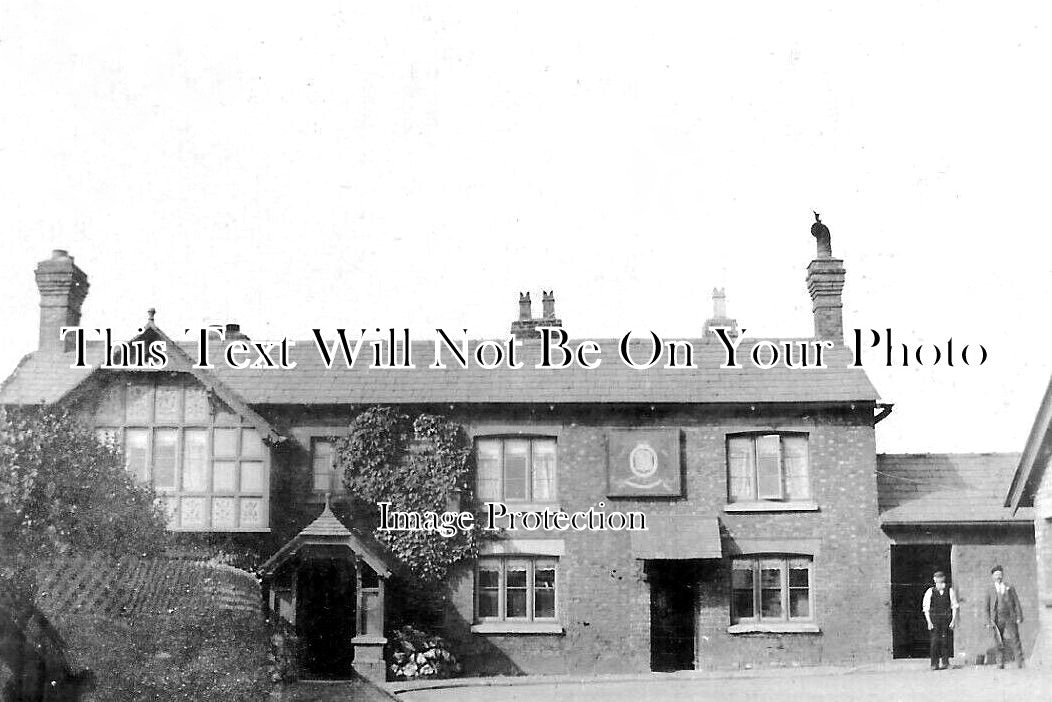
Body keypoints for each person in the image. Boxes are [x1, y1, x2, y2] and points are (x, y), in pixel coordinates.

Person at [984, 565, 1024, 668]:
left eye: (1000, 574)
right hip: (997, 618)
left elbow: (1016, 602)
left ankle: (1020, 662)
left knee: (1015, 638)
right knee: (998, 640)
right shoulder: (990, 590)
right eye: (996, 574)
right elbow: (986, 607)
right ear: (992, 576)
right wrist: (988, 621)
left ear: (1002, 575)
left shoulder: (1009, 587)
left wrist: (1019, 615)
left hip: (1010, 617)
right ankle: (1000, 662)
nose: (998, 576)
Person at [922, 570, 959, 670]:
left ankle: (945, 663)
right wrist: (929, 622)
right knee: (934, 641)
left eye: (941, 579)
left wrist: (953, 620)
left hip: (945, 620)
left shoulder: (949, 591)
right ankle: (934, 664)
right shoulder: (930, 591)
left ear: (944, 579)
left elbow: (954, 606)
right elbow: (926, 608)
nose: (939, 581)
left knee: (945, 641)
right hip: (934, 620)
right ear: (934, 580)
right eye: (937, 579)